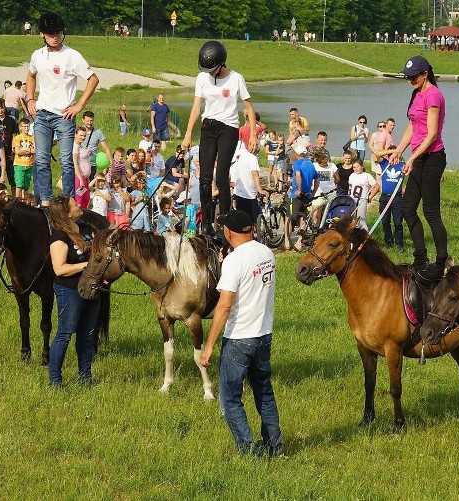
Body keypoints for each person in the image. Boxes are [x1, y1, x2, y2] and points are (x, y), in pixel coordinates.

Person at [199, 210, 282, 458]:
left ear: (227, 232)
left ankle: (248, 451)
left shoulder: (234, 261)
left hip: (239, 338)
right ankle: (274, 447)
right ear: (251, 228)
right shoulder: (267, 253)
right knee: (264, 392)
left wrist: (209, 345)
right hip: (263, 333)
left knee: (230, 400)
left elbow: (224, 305)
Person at [182, 40, 258, 238]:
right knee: (205, 178)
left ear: (222, 63)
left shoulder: (236, 79)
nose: (210, 73)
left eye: (213, 69)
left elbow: (248, 107)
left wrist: (253, 135)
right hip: (208, 127)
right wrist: (188, 134)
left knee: (222, 176)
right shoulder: (202, 78)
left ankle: (225, 222)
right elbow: (196, 107)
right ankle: (206, 224)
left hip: (228, 128)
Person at [26, 11, 99, 207]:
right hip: (42, 114)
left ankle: (68, 202)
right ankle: (45, 201)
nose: (55, 37)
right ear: (42, 34)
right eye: (51, 34)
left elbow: (93, 79)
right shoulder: (37, 56)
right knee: (41, 159)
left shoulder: (71, 55)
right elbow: (31, 75)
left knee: (66, 161)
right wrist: (30, 99)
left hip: (64, 116)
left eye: (58, 33)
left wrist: (80, 105)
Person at [390, 55, 448, 280]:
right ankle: (421, 258)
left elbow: (432, 133)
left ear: (425, 74)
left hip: (432, 158)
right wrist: (399, 151)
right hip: (417, 156)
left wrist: (412, 158)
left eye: (413, 77)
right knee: (407, 208)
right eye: (407, 77)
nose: (410, 81)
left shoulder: (433, 95)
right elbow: (412, 127)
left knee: (431, 212)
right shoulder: (416, 94)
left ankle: (441, 261)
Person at [48, 195, 101, 386]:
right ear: (66, 214)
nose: (79, 205)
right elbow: (59, 269)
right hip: (69, 290)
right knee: (65, 333)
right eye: (75, 204)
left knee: (87, 334)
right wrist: (89, 265)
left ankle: (85, 377)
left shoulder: (86, 228)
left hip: (91, 289)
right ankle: (55, 380)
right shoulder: (59, 236)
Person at [0, 98, 18, 191]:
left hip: (9, 154)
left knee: (13, 179)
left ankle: (15, 199)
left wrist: (14, 150)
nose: (0, 110)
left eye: (2, 108)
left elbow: (14, 136)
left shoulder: (11, 120)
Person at [378, 158, 404, 251]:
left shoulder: (402, 165)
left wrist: (405, 187)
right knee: (385, 221)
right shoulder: (385, 164)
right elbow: (375, 155)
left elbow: (412, 174)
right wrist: (393, 151)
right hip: (385, 198)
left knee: (398, 222)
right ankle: (388, 243)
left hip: (396, 198)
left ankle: (399, 244)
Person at [348, 158, 379, 231]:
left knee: (361, 220)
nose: (356, 169)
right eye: (354, 167)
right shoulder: (352, 175)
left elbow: (377, 186)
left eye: (357, 167)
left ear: (362, 166)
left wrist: (370, 197)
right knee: (351, 220)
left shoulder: (367, 175)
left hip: (361, 199)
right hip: (351, 199)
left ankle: (366, 237)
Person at [81, 111, 112, 179]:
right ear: (83, 120)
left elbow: (106, 148)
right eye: (87, 121)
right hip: (80, 163)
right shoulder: (78, 131)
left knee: (90, 187)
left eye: (91, 120)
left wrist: (112, 163)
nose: (89, 123)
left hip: (92, 164)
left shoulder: (98, 132)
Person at [12, 118, 35, 200]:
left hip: (29, 164)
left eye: (28, 126)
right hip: (19, 164)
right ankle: (17, 201)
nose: (26, 128)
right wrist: (29, 151)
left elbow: (35, 150)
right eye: (24, 126)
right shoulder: (17, 138)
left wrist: (25, 151)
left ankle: (25, 200)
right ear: (20, 127)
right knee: (19, 184)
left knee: (26, 185)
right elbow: (18, 151)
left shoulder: (32, 138)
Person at [72, 126, 92, 209]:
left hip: (85, 178)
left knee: (86, 200)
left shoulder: (81, 146)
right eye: (81, 135)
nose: (83, 137)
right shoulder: (75, 147)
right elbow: (75, 164)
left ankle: (84, 218)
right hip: (78, 178)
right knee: (79, 200)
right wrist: (80, 180)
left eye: (84, 136)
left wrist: (87, 178)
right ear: (75, 135)